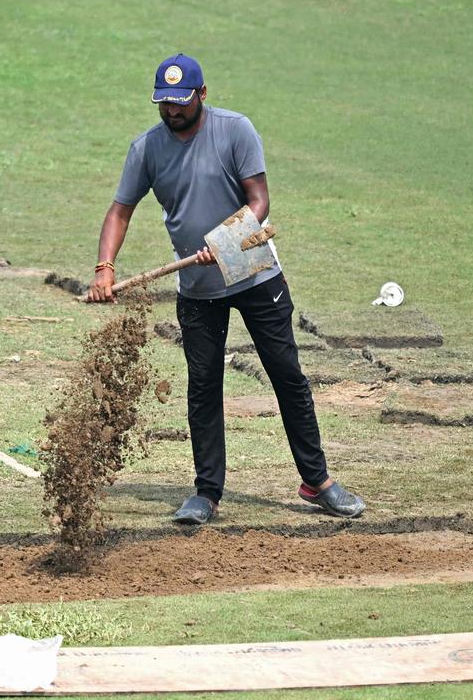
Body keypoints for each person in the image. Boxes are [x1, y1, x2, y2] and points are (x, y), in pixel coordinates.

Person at [87, 53, 366, 524]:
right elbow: (120, 211)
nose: (172, 111)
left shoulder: (235, 130)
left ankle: (317, 482)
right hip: (198, 287)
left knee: (287, 375)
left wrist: (226, 240)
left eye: (181, 102)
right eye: (165, 103)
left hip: (255, 272)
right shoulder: (147, 149)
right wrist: (104, 268)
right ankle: (207, 493)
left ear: (202, 94)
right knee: (203, 386)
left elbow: (259, 200)